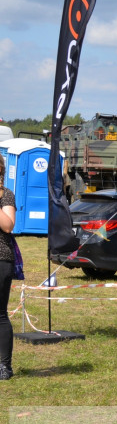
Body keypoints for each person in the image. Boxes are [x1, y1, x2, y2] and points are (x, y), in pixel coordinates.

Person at [0, 156, 16, 380]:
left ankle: (4, 366)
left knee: (0, 315)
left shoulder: (6, 195)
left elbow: (8, 225)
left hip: (1, 259)